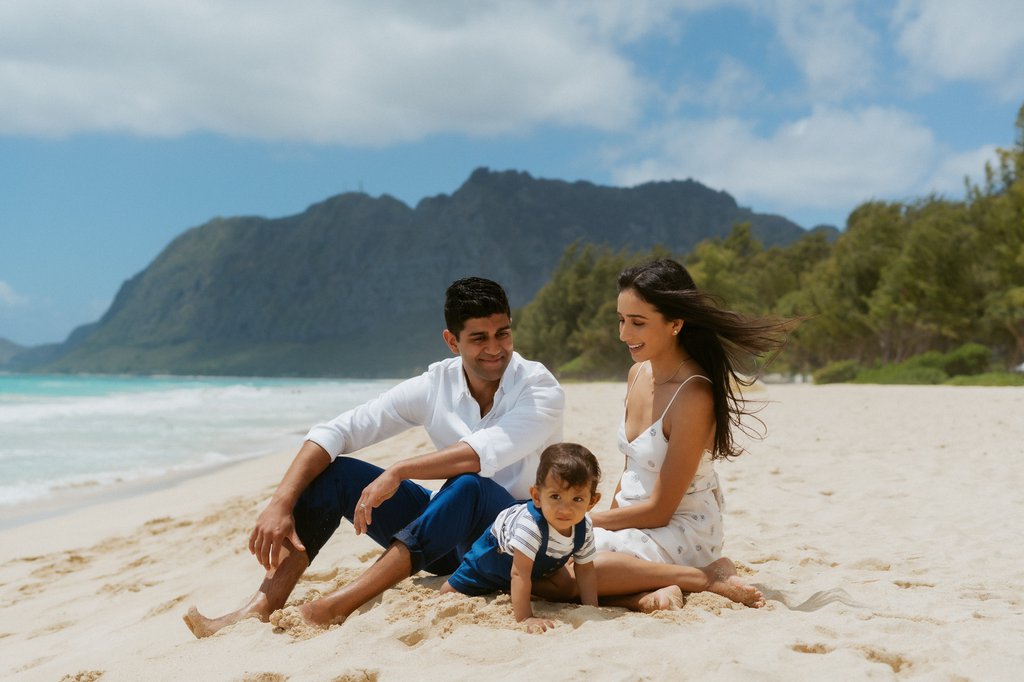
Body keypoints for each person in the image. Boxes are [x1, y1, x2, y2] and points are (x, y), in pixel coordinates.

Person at [183, 277, 564, 637]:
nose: (495, 348)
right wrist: (280, 502)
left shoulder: (539, 387)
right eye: (479, 338)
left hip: (517, 542)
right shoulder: (435, 385)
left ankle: (336, 606)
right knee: (335, 473)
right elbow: (338, 430)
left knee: (468, 485)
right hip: (449, 542)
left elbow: (482, 454)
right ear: (452, 341)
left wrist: (398, 470)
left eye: (503, 334)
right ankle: (263, 605)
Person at [586, 258, 793, 610]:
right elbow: (630, 472)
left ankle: (703, 576)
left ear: (675, 324)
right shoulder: (636, 374)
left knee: (570, 567)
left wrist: (584, 520)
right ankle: (643, 592)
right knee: (543, 554)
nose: (624, 334)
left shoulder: (693, 395)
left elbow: (660, 511)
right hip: (631, 522)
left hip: (681, 528)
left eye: (638, 323)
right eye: (621, 320)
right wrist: (601, 528)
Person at [441, 443, 602, 633]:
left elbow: (585, 570)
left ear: (592, 501)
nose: (565, 509)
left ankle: (511, 589)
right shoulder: (531, 526)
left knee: (560, 585)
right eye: (555, 496)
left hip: (533, 565)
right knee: (448, 593)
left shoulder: (584, 528)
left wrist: (591, 609)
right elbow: (519, 573)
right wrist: (526, 617)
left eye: (577, 499)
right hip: (493, 557)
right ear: (536, 496)